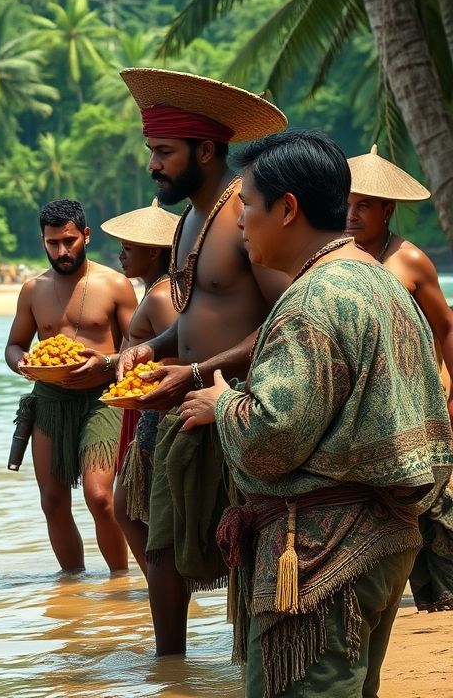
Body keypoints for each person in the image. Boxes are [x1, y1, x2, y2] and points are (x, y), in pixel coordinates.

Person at [178, 129, 453, 698]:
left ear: (287, 210)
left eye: (247, 206)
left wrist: (222, 401)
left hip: (323, 554)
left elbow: (272, 440)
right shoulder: (380, 280)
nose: (239, 223)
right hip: (386, 541)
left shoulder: (311, 303)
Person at [115, 68, 289, 655]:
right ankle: (171, 672)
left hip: (237, 410)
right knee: (156, 536)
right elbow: (195, 315)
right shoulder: (190, 218)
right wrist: (152, 348)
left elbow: (285, 319)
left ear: (205, 149)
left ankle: (253, 668)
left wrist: (194, 372)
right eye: (152, 152)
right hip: (182, 403)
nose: (153, 165)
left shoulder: (247, 211)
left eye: (164, 152)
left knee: (250, 551)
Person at [4, 199, 139, 573]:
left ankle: (119, 582)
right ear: (42, 241)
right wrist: (24, 364)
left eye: (69, 241)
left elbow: (138, 346)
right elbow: (14, 345)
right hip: (49, 398)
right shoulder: (33, 289)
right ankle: (73, 590)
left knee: (100, 498)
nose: (62, 251)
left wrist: (107, 362)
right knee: (52, 499)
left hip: (103, 398)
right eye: (52, 243)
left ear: (86, 235)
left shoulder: (115, 285)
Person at [347, 145, 453, 613]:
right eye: (347, 204)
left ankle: (445, 604)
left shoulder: (407, 260)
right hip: (369, 412)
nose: (352, 215)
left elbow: (446, 328)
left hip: (423, 406)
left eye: (364, 205)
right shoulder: (336, 259)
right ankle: (411, 600)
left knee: (439, 512)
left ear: (387, 210)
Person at [100, 199, 179, 575]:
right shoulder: (156, 290)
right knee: (134, 509)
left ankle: (161, 586)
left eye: (129, 249)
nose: (121, 256)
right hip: (140, 408)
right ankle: (161, 587)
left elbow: (175, 356)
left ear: (153, 252)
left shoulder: (162, 296)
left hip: (154, 412)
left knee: (128, 508)